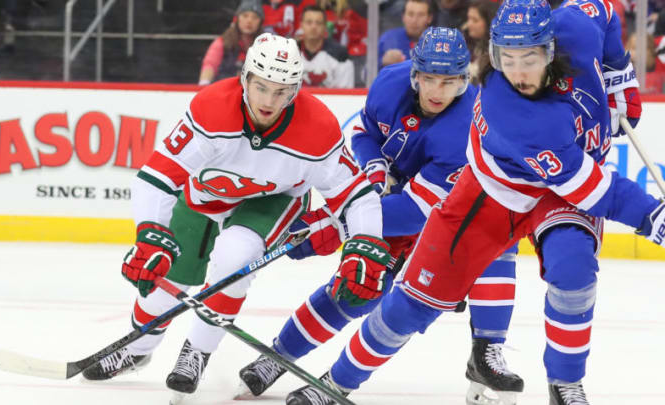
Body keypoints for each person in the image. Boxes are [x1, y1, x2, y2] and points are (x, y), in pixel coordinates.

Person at [281, 0, 665, 404]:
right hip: (491, 196)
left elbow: (605, 12)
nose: (517, 73)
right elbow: (600, 192)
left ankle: (565, 385)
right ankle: (336, 381)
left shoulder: (576, 26)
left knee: (574, 271)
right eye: (507, 59)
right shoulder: (514, 113)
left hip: (556, 193)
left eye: (529, 58)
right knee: (411, 305)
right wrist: (654, 216)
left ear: (551, 48)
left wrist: (619, 71)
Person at [79, 32, 391, 404]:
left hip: (272, 201)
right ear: (245, 78)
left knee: (233, 261)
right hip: (206, 193)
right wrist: (149, 232)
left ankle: (196, 351)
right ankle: (138, 347)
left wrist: (366, 241)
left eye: (281, 91)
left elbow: (356, 195)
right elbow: (156, 177)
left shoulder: (318, 129)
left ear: (295, 89)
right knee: (165, 275)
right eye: (261, 88)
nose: (269, 101)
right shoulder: (211, 108)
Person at [236, 27, 523, 405]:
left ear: (463, 80)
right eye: (429, 80)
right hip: (397, 201)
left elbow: (415, 212)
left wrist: (336, 223)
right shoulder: (390, 84)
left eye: (449, 82)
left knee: (395, 306)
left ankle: (337, 383)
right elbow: (361, 130)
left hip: (448, 221)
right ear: (414, 74)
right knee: (353, 287)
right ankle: (277, 357)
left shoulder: (463, 129)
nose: (437, 92)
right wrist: (373, 172)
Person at [198, 0, 264, 85]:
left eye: (255, 17)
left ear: (260, 22)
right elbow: (210, 65)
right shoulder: (222, 42)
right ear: (237, 18)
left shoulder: (265, 46)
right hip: (223, 89)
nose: (249, 21)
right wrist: (204, 83)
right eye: (245, 16)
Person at [298, 5, 355, 88]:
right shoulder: (290, 52)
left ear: (325, 26)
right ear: (301, 25)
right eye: (309, 22)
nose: (313, 27)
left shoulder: (340, 55)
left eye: (318, 23)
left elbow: (345, 94)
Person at [378, 0, 434, 68]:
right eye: (410, 14)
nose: (414, 20)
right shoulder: (388, 39)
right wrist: (383, 61)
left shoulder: (439, 41)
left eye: (420, 15)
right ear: (403, 17)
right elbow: (366, 72)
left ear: (429, 18)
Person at [463, 0, 499, 82]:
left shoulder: (495, 53)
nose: (469, 24)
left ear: (489, 22)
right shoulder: (469, 40)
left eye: (475, 20)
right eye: (468, 18)